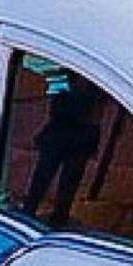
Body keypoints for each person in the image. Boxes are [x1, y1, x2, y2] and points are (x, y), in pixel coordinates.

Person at [22, 75, 108, 225]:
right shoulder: (69, 85)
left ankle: (55, 216)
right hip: (63, 134)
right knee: (45, 177)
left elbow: (95, 115)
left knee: (66, 181)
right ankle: (33, 211)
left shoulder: (93, 89)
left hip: (75, 136)